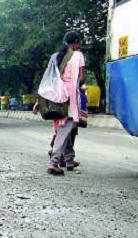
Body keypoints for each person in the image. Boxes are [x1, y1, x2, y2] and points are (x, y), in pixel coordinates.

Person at [47, 31, 85, 175]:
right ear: (75, 42)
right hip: (70, 95)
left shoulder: (56, 56)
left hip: (56, 94)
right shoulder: (78, 56)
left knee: (65, 127)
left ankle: (69, 160)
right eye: (79, 42)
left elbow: (50, 78)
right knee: (66, 126)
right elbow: (81, 78)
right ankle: (54, 162)